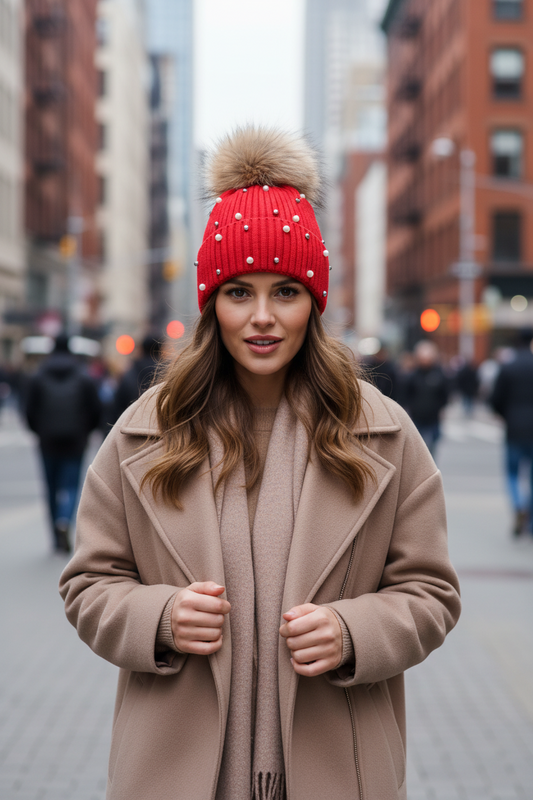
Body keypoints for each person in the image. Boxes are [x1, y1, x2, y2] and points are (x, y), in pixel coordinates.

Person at [59, 128, 460, 800]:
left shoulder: (384, 433)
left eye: (286, 291)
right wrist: (157, 618)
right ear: (211, 302)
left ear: (315, 302)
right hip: (175, 770)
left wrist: (352, 632)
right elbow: (88, 585)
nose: (263, 317)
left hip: (337, 765)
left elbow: (431, 594)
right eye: (239, 291)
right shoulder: (143, 431)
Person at [26, 333, 101, 552]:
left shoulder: (38, 375)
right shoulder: (83, 376)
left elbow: (29, 410)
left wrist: (38, 431)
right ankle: (64, 520)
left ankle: (54, 531)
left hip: (47, 440)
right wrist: (86, 431)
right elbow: (95, 409)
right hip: (75, 440)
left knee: (50, 487)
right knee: (70, 485)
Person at [490, 330, 533, 536]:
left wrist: (504, 414)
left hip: (514, 428)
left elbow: (495, 399)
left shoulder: (508, 367)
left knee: (513, 474)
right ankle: (529, 518)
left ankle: (518, 505)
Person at [403, 340, 449, 457]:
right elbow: (406, 393)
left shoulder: (439, 374)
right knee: (418, 446)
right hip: (417, 416)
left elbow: (445, 393)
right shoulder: (413, 375)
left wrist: (441, 408)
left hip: (433, 416)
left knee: (433, 445)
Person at [113, 334, 162, 421]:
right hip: (158, 428)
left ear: (142, 350)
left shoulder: (130, 374)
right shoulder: (166, 375)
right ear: (160, 350)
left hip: (128, 426)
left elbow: (116, 406)